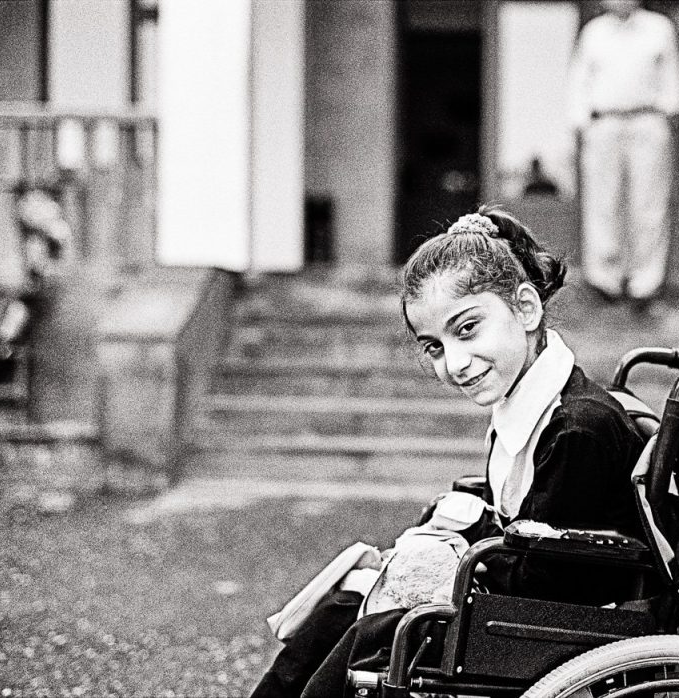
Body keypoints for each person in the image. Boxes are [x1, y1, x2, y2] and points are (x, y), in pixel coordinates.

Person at [250, 206, 646, 697]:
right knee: (349, 597)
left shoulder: (577, 429)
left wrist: (460, 554)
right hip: (526, 593)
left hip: (554, 623)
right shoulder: (534, 399)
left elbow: (552, 577)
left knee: (375, 631)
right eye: (433, 347)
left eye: (466, 330)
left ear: (526, 308)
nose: (454, 363)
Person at [568, 0, 679, 309]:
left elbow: (672, 80)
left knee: (649, 202)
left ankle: (645, 284)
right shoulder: (593, 32)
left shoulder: (659, 28)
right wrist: (581, 123)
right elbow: (579, 81)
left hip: (648, 120)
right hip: (604, 122)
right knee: (602, 201)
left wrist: (671, 113)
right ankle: (604, 280)